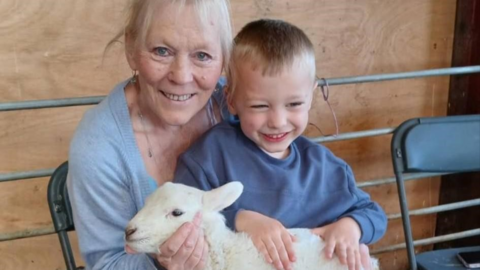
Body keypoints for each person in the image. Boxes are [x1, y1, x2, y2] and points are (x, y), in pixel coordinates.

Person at [173, 19, 388, 270]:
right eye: (260, 106)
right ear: (231, 100)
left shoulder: (325, 168)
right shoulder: (210, 156)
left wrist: (350, 227)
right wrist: (241, 219)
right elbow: (180, 215)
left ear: (311, 96)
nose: (278, 121)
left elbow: (373, 214)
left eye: (294, 104)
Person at [67, 0, 233, 269]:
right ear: (131, 49)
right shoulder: (99, 147)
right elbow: (108, 263)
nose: (181, 76)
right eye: (162, 51)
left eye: (202, 55)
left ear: (224, 57)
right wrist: (160, 263)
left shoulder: (243, 106)